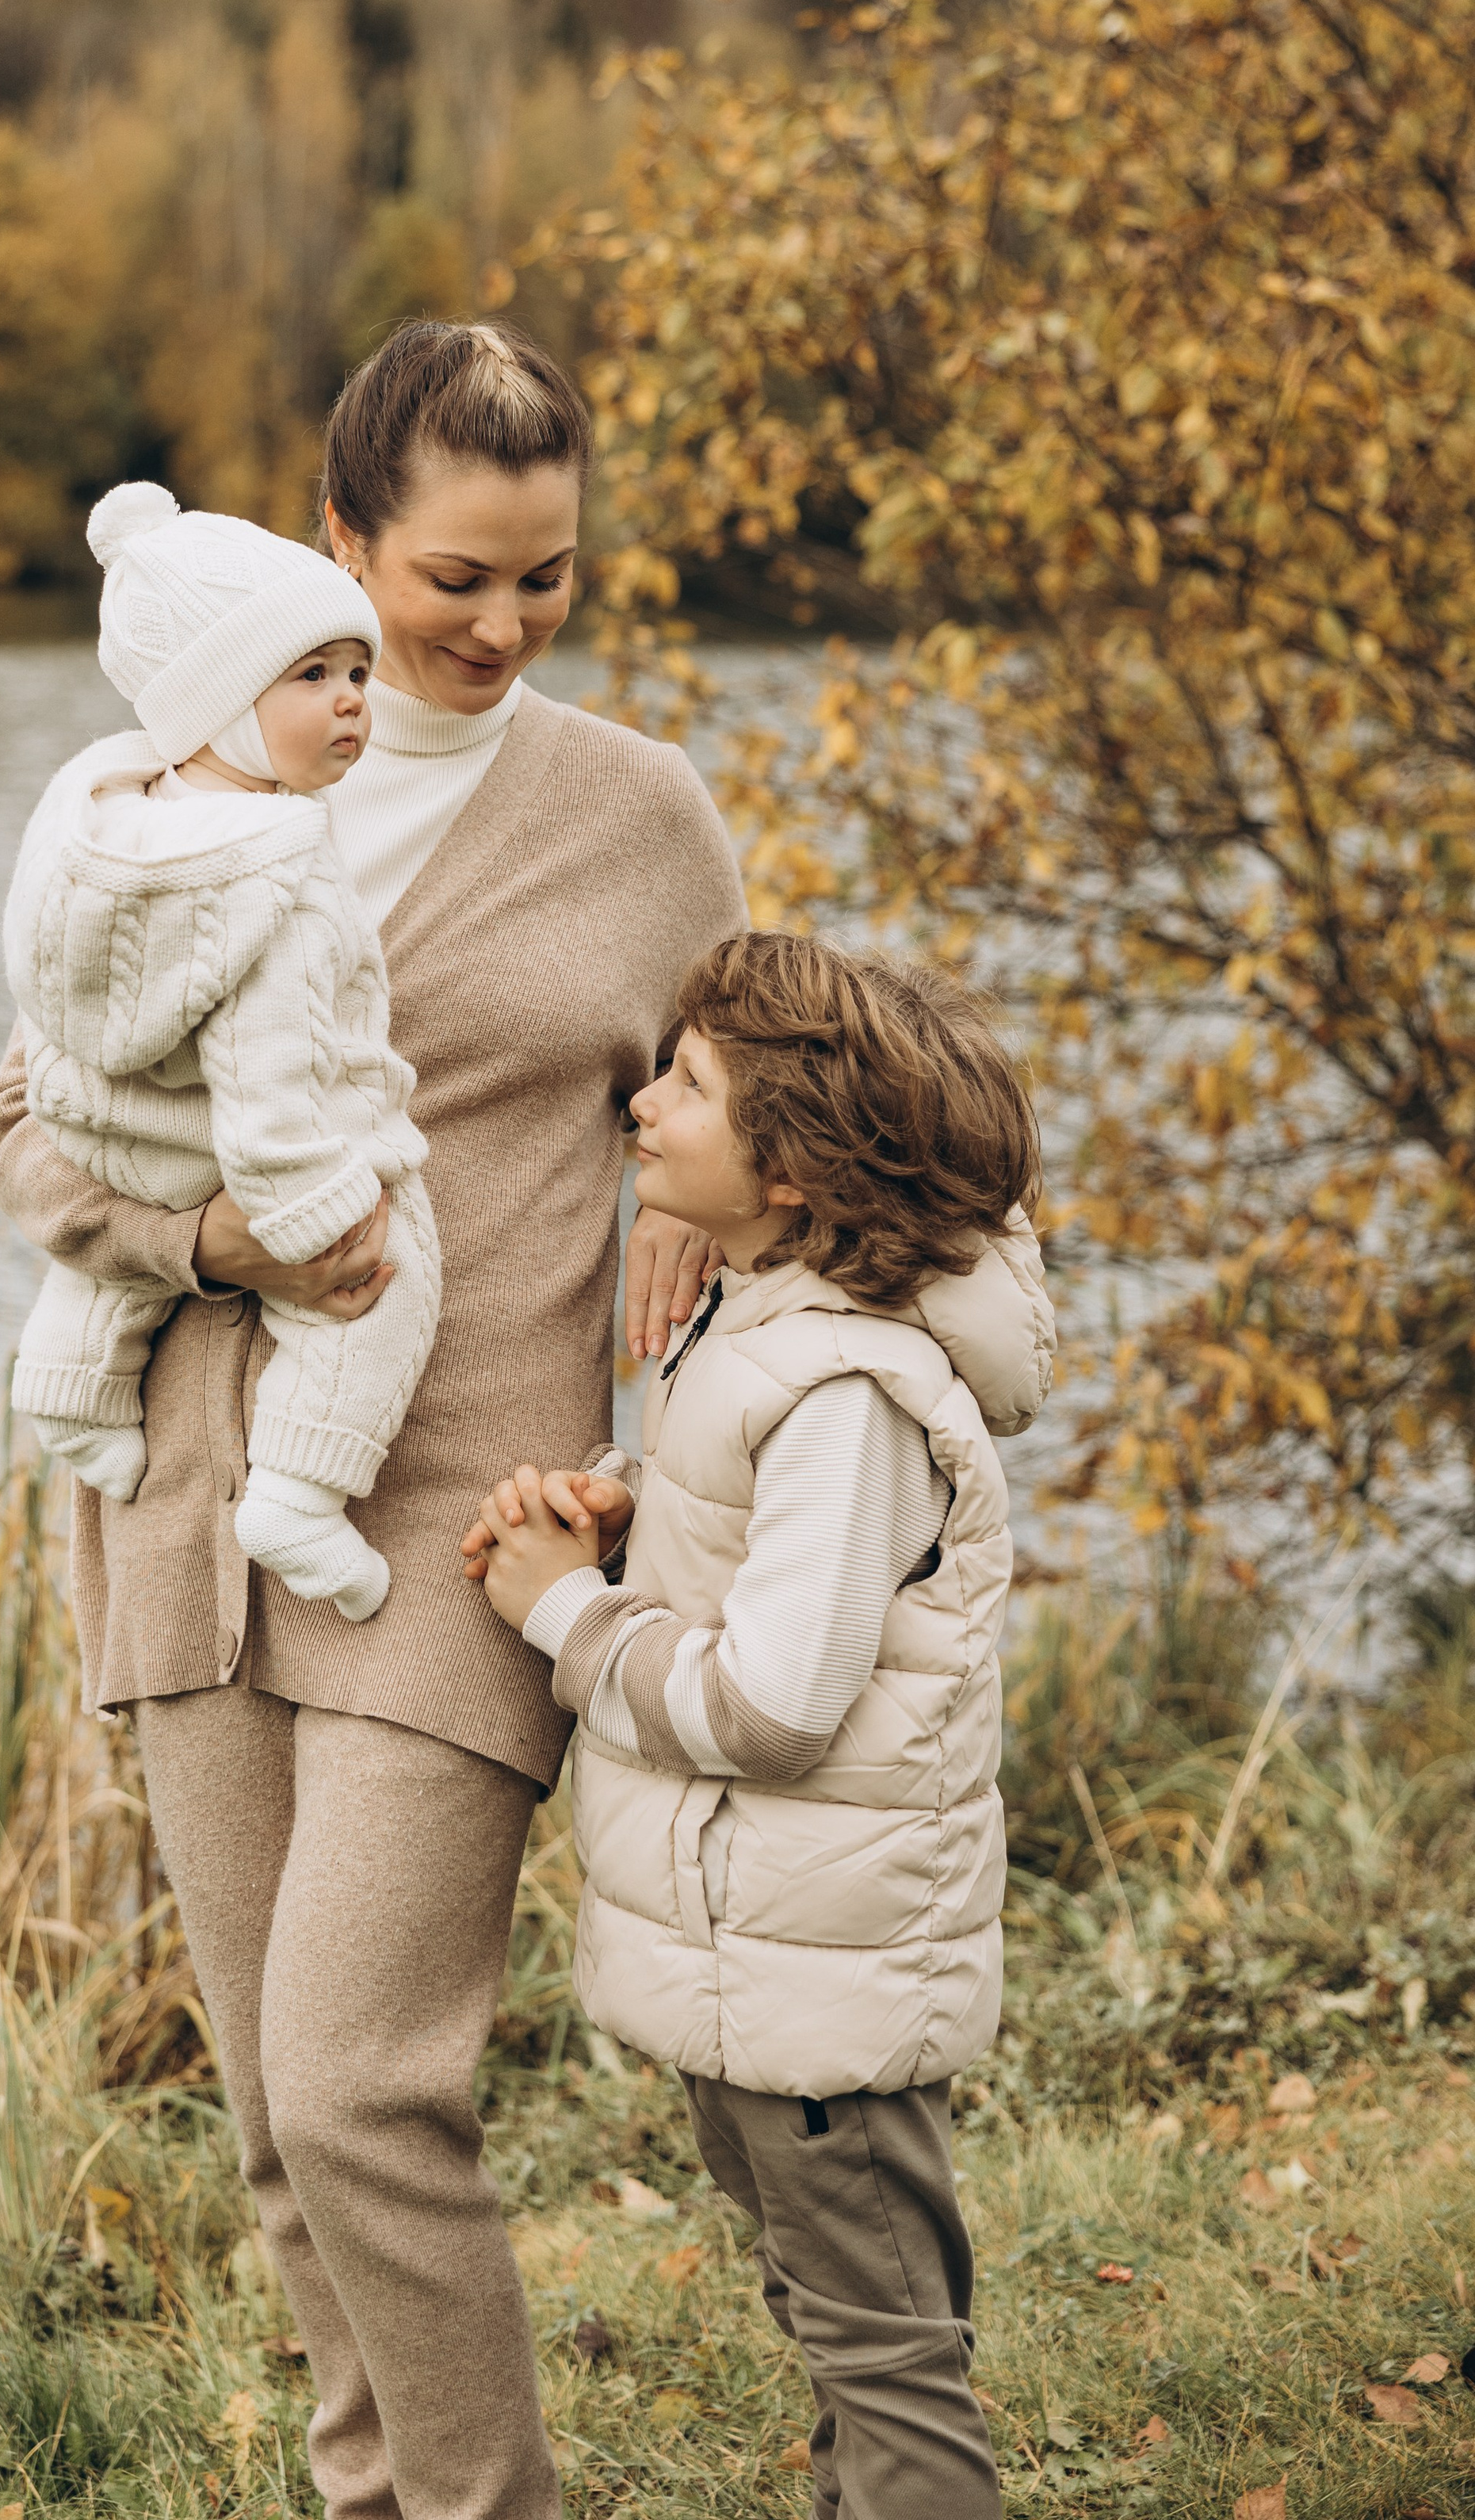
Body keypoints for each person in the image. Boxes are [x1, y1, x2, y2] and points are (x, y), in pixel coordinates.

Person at [0, 318, 747, 2520]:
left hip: (471, 1523)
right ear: (337, 544)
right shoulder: (158, 802)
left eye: (547, 578)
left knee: (358, 2092)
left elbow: (768, 1102)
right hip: (191, 1514)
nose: (501, 626)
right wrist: (210, 1243)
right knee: (272, 2125)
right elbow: (21, 1124)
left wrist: (697, 1216)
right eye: (451, 579)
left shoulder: (639, 820)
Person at [467, 930, 1055, 2520]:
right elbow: (772, 1571)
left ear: (790, 1170)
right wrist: (631, 1525)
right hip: (773, 1962)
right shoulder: (765, 1318)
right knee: (838, 2322)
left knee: (886, 2356)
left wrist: (565, 1615)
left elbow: (778, 1704)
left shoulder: (846, 1391)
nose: (640, 1103)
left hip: (821, 1980)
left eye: (686, 1084)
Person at [3, 483, 437, 1622]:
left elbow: (43, 1001)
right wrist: (314, 1217)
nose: (353, 701)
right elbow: (266, 1069)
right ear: (221, 702)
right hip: (235, 1156)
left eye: (358, 672)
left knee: (117, 1244)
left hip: (99, 1130)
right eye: (313, 676)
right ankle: (301, 1493)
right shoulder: (276, 872)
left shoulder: (107, 822)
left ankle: (69, 1383)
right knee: (395, 1277)